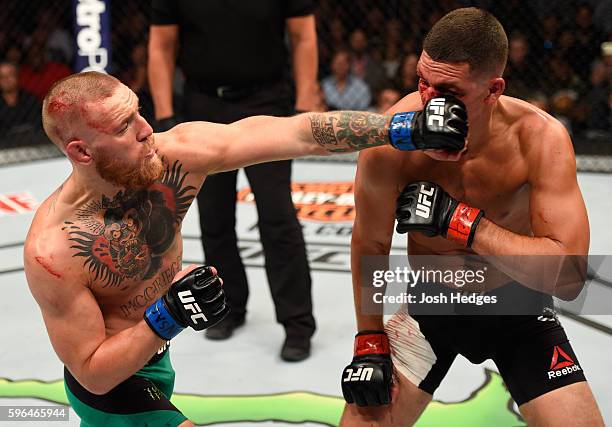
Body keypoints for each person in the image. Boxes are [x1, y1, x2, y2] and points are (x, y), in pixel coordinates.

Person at [24, 71, 467, 426]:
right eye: (124, 127)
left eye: (139, 113)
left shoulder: (173, 155)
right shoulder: (54, 249)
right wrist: (168, 316)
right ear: (81, 151)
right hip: (112, 390)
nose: (145, 131)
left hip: (156, 362)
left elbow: (298, 133)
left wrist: (401, 128)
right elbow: (93, 373)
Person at [339, 8, 605, 427]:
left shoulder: (538, 138)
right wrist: (368, 338)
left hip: (518, 307)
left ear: (492, 89)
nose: (431, 102)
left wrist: (465, 223)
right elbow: (371, 244)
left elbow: (570, 279)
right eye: (423, 83)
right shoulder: (394, 139)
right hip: (431, 305)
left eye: (448, 90)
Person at [148, 0, 320, 362]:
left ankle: (297, 323)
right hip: (203, 104)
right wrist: (164, 115)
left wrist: (304, 106)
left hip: (266, 100)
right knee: (214, 216)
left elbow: (303, 34)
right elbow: (161, 44)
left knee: (277, 215)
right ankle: (227, 308)